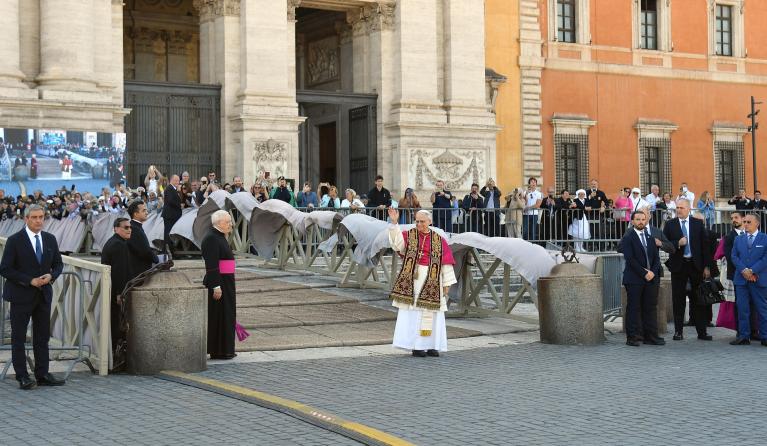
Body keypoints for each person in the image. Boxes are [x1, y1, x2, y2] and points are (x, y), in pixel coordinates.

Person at [0, 204, 65, 389]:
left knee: (42, 337)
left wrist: (51, 276)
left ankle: (42, 374)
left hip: (43, 295)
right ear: (26, 219)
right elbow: (5, 268)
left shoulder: (50, 239)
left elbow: (59, 265)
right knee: (18, 337)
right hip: (21, 295)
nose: (38, 221)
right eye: (34, 217)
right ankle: (22, 376)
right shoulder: (14, 240)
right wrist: (30, 281)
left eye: (41, 217)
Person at [386, 208, 457, 357]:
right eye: (417, 221)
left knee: (434, 315)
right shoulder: (409, 235)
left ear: (429, 222)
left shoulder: (439, 239)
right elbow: (397, 245)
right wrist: (394, 223)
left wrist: (447, 283)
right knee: (414, 314)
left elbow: (446, 263)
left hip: (433, 279)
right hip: (413, 281)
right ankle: (417, 346)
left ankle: (432, 345)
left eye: (422, 221)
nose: (419, 224)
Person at [662, 198, 713, 341]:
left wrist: (707, 266)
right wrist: (677, 243)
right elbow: (665, 245)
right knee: (678, 300)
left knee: (699, 299)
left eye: (681, 208)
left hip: (696, 266)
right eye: (677, 207)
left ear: (689, 209)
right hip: (679, 266)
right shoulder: (670, 224)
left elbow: (705, 246)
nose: (678, 210)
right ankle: (678, 331)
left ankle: (702, 332)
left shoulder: (697, 224)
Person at [620, 211, 664, 346]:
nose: (640, 222)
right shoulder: (628, 237)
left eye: (643, 219)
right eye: (638, 219)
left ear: (646, 221)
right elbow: (630, 258)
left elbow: (656, 258)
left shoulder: (650, 237)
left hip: (651, 278)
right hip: (634, 278)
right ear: (632, 221)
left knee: (650, 308)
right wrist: (644, 272)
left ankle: (651, 336)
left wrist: (652, 272)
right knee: (633, 308)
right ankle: (632, 337)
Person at [201, 210, 238, 359]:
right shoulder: (211, 238)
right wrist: (216, 286)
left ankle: (226, 349)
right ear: (218, 223)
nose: (230, 224)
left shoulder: (220, 236)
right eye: (228, 222)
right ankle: (219, 350)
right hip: (219, 282)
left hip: (227, 281)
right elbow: (212, 264)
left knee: (227, 315)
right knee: (219, 316)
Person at [730, 214, 767, 346]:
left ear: (757, 224)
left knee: (762, 309)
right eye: (744, 221)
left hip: (759, 279)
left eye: (749, 222)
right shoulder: (738, 239)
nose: (745, 224)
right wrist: (744, 270)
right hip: (741, 279)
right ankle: (744, 336)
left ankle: (765, 336)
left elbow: (765, 258)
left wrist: (752, 271)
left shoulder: (765, 238)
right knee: (742, 308)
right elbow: (734, 256)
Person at [100, 217, 133, 352]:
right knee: (116, 323)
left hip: (112, 289)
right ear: (116, 229)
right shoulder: (118, 245)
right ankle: (114, 354)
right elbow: (118, 272)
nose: (129, 230)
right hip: (115, 290)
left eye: (130, 227)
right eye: (126, 227)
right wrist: (120, 293)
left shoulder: (115, 242)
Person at [127, 200, 159, 279]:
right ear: (135, 214)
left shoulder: (135, 226)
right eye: (144, 211)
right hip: (139, 271)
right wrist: (157, 260)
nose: (147, 213)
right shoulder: (134, 229)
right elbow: (144, 251)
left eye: (146, 210)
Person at [162, 175, 182, 255]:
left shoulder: (173, 189)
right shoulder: (170, 188)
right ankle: (167, 251)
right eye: (176, 180)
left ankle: (169, 251)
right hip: (170, 215)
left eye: (178, 180)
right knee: (168, 234)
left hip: (172, 215)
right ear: (172, 180)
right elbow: (170, 201)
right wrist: (179, 205)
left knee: (170, 234)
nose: (178, 182)